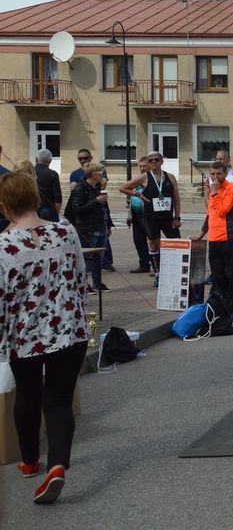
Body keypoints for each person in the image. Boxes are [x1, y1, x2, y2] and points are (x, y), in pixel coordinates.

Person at [0, 171, 89, 504]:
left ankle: (29, 461)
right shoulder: (65, 231)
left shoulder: (3, 246)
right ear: (36, 198)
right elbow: (80, 276)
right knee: (59, 399)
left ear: (4, 206)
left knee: (28, 394)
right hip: (70, 329)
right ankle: (57, 466)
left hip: (25, 335)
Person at [199, 161, 233, 331]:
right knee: (217, 277)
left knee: (232, 276)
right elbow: (211, 215)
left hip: (229, 238)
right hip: (214, 239)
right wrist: (201, 234)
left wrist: (215, 193)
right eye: (212, 174)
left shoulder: (232, 190)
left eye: (218, 174)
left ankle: (230, 310)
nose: (215, 177)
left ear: (225, 174)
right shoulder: (212, 192)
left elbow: (223, 211)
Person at [118, 151, 181, 286]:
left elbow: (176, 198)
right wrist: (138, 195)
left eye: (156, 159)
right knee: (153, 243)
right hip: (150, 217)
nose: (153, 162)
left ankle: (176, 272)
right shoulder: (144, 177)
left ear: (162, 161)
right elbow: (122, 188)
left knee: (176, 242)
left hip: (167, 217)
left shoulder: (170, 177)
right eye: (150, 160)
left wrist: (177, 217)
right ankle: (158, 274)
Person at [67, 161, 113, 294]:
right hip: (87, 228)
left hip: (100, 226)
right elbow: (77, 209)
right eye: (101, 173)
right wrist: (95, 201)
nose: (103, 175)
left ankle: (97, 283)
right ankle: (84, 284)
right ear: (94, 174)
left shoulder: (98, 187)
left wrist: (108, 224)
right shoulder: (80, 188)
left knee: (99, 257)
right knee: (87, 258)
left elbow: (105, 208)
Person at [126, 155, 153, 274]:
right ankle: (144, 264)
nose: (142, 168)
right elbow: (131, 197)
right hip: (136, 215)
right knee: (138, 241)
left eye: (144, 166)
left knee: (152, 241)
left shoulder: (151, 180)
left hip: (148, 215)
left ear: (150, 166)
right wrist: (129, 214)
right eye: (140, 166)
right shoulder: (137, 180)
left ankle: (156, 266)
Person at [33, 149, 61, 222]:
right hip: (48, 210)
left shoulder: (29, 172)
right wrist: (57, 212)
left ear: (36, 159)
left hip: (31, 210)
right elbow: (58, 197)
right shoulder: (53, 174)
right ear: (50, 161)